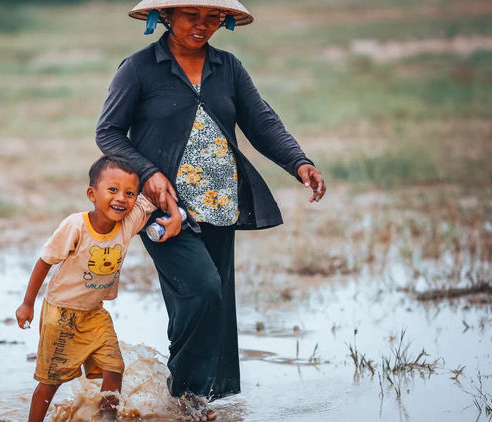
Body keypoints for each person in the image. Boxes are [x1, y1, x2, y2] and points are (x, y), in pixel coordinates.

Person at [95, 1, 327, 420]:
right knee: (201, 290)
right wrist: (147, 173)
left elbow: (262, 122)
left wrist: (299, 162)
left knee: (208, 303)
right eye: (191, 16)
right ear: (166, 16)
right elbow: (108, 132)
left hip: (221, 205)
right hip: (163, 210)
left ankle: (189, 400)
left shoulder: (229, 67)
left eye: (212, 18)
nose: (202, 26)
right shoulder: (139, 68)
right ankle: (187, 396)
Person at [15, 154, 181, 422]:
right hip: (62, 315)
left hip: (95, 312)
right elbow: (45, 261)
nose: (121, 198)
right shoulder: (75, 226)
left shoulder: (127, 223)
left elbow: (156, 192)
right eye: (112, 190)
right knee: (51, 381)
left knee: (114, 369)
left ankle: (106, 417)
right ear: (92, 193)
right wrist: (27, 303)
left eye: (129, 192)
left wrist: (174, 213)